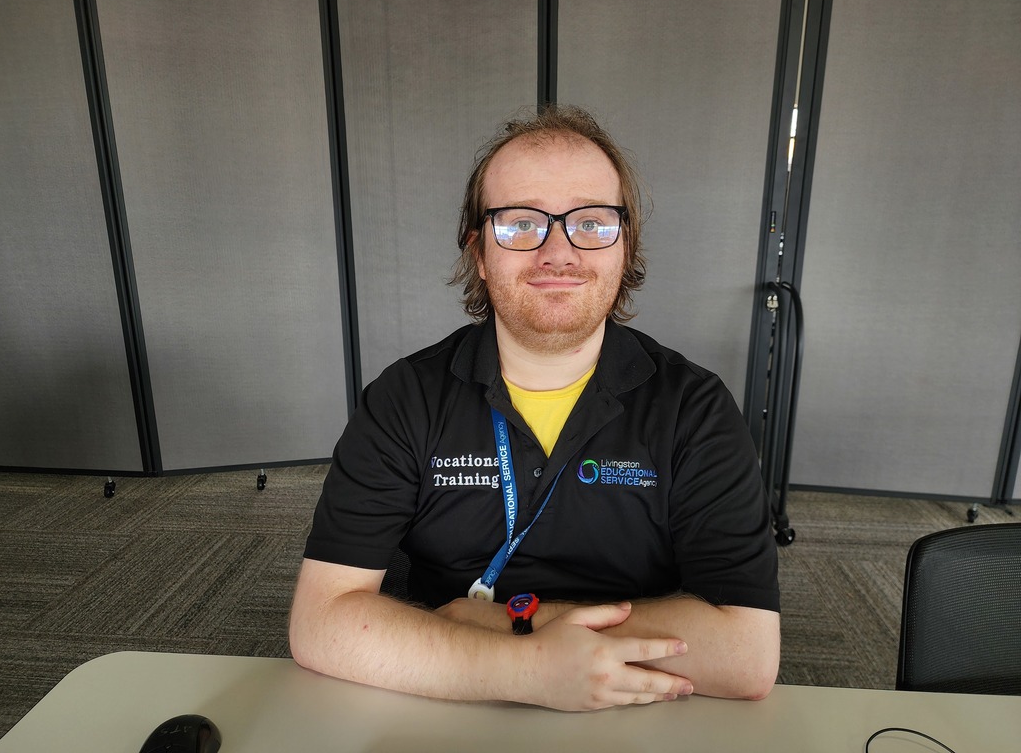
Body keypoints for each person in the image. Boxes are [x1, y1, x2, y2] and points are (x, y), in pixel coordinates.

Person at [289, 105, 781, 711]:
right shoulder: (405, 397)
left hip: (633, 709)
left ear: (624, 246)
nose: (557, 250)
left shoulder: (694, 407)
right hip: (446, 704)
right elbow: (321, 623)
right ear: (478, 251)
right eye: (520, 224)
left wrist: (502, 628)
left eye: (592, 223)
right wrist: (524, 670)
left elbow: (747, 654)